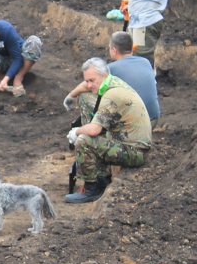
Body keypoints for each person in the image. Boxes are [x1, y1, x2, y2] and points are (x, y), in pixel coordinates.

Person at [64, 57, 151, 203]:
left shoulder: (112, 96)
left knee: (84, 140)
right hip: (130, 144)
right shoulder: (113, 83)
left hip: (135, 152)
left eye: (92, 80)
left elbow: (93, 130)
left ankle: (93, 189)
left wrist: (76, 131)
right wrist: (73, 94)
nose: (89, 85)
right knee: (86, 98)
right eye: (87, 81)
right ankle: (103, 180)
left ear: (103, 76)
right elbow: (87, 87)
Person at [64, 32, 160, 126]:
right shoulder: (145, 62)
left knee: (85, 96)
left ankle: (90, 133)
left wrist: (71, 95)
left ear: (114, 50)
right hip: (153, 119)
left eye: (110, 48)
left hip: (132, 125)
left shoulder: (111, 69)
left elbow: (88, 86)